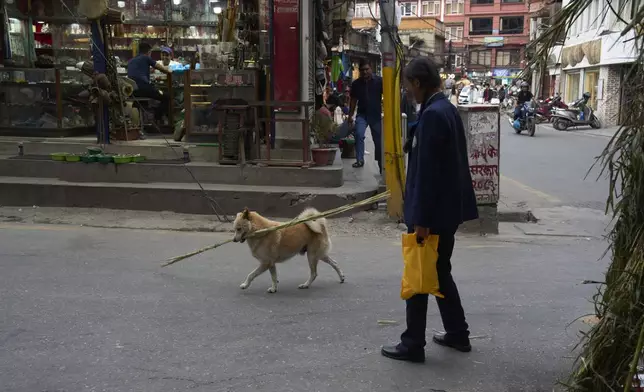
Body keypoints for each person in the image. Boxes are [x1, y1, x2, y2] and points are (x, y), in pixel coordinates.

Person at [380, 57, 478, 363]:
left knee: (418, 275)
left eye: (408, 85)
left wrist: (420, 220)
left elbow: (427, 173)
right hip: (446, 211)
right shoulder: (444, 109)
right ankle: (458, 333)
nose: (408, 91)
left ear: (418, 83)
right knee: (438, 271)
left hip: (431, 215)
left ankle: (412, 344)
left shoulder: (434, 115)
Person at [348, 60, 383, 171]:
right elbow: (353, 101)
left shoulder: (379, 81)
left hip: (375, 115)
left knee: (378, 141)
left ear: (371, 69)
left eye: (367, 69)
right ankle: (359, 160)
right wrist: (350, 115)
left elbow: (387, 95)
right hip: (362, 114)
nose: (365, 72)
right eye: (362, 70)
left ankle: (381, 163)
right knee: (358, 134)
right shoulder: (356, 84)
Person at [128, 42, 172, 126]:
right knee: (166, 97)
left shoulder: (131, 61)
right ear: (149, 52)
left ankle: (138, 126)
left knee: (139, 102)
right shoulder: (146, 58)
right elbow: (163, 69)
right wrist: (170, 71)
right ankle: (156, 118)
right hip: (144, 88)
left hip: (133, 90)